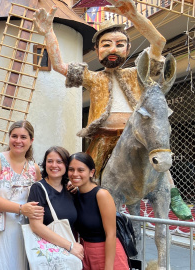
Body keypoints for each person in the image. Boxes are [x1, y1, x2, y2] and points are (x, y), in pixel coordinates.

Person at [33, 0, 190, 219]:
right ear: (96, 50)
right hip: (103, 138)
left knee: (157, 150)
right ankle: (88, 212)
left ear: (127, 48)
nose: (112, 49)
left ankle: (172, 193)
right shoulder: (93, 77)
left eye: (118, 44)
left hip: (136, 134)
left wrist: (135, 16)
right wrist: (49, 32)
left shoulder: (137, 73)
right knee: (88, 177)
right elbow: (60, 66)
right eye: (106, 44)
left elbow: (158, 42)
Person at [0, 120, 44, 270]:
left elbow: (46, 191)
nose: (18, 141)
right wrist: (21, 208)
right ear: (9, 137)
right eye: (14, 136)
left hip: (21, 231)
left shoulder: (34, 168)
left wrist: (70, 186)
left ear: (31, 140)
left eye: (23, 137)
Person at [68, 152, 129, 269]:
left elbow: (111, 234)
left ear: (91, 172)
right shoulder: (75, 194)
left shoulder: (101, 194)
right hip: (85, 253)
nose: (75, 174)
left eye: (81, 170)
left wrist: (109, 267)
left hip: (107, 254)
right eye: (71, 169)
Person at [27, 146, 84, 261]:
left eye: (59, 162)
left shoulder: (70, 190)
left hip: (70, 256)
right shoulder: (38, 189)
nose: (54, 165)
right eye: (50, 161)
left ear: (67, 165)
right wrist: (70, 246)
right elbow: (36, 226)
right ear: (45, 164)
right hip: (48, 257)